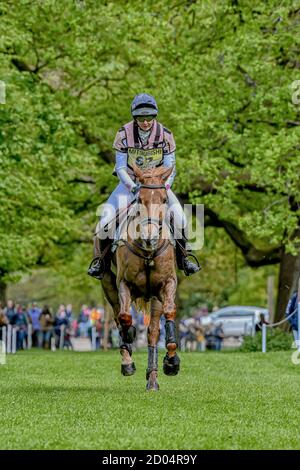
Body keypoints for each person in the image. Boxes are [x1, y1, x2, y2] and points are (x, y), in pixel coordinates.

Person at [88, 93, 201, 280]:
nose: (146, 122)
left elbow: (171, 167)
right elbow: (121, 167)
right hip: (130, 184)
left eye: (149, 117)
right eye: (141, 118)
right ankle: (102, 262)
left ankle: (184, 260)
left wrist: (163, 187)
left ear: (154, 117)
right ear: (135, 117)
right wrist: (134, 188)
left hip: (158, 187)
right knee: (105, 221)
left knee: (181, 219)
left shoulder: (166, 135)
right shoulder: (123, 134)